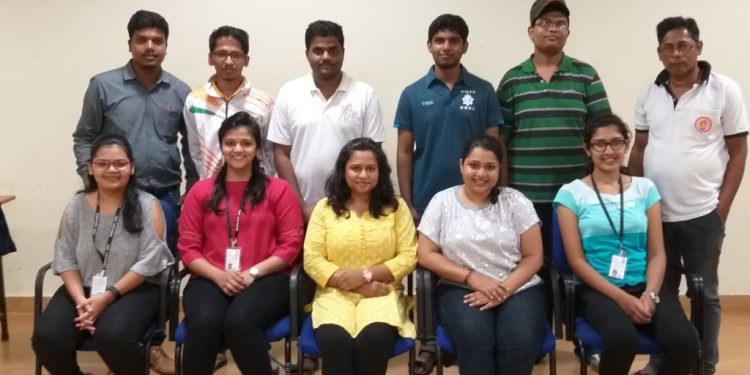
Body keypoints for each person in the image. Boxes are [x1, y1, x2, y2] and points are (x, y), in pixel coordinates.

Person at [71, 11, 195, 371]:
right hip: (114, 199)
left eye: (157, 41)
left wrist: (191, 192)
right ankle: (118, 341)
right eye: (142, 40)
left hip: (166, 198)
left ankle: (152, 344)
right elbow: (84, 138)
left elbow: (191, 147)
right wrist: (92, 179)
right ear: (130, 44)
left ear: (166, 47)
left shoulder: (180, 90)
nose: (150, 47)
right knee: (114, 268)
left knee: (160, 274)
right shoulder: (103, 85)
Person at [628, 16, 748, 375]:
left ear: (698, 47)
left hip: (702, 214)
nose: (676, 53)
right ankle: (663, 360)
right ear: (659, 53)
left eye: (684, 46)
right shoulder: (649, 92)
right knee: (660, 292)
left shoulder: (725, 90)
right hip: (656, 215)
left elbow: (739, 153)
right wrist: (638, 200)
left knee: (705, 293)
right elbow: (639, 148)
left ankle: (705, 363)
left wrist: (721, 207)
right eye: (668, 47)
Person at [554, 114, 700, 375]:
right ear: (587, 149)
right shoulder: (570, 194)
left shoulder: (645, 189)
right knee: (622, 341)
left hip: (645, 284)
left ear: (626, 145)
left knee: (685, 343)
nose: (608, 151)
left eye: (616, 142)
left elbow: (657, 254)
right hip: (596, 289)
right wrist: (623, 299)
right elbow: (576, 261)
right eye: (599, 144)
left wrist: (650, 295)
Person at [32, 134, 174, 374]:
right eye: (102, 163)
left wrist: (107, 297)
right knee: (47, 338)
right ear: (90, 168)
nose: (111, 169)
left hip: (135, 289)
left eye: (120, 163)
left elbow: (150, 262)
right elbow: (64, 256)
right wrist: (80, 300)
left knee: (113, 337)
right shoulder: (76, 206)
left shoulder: (147, 205)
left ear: (132, 167)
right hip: (83, 288)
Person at [177, 112, 304, 375]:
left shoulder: (278, 190)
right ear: (221, 146)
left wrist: (253, 273)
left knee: (240, 321)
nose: (238, 149)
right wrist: (218, 275)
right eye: (230, 143)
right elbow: (188, 247)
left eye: (246, 143)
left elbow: (291, 244)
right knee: (204, 322)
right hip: (210, 277)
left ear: (257, 148)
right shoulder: (200, 191)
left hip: (267, 277)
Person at [417, 135, 546, 375]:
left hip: (518, 287)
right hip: (460, 287)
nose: (481, 173)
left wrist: (503, 289)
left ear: (499, 169)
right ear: (461, 165)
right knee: (476, 341)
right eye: (474, 165)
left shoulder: (516, 201)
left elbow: (534, 257)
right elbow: (425, 254)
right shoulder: (442, 201)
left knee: (519, 341)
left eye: (490, 167)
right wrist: (471, 277)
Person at [497, 0, 611, 260]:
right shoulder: (512, 80)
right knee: (531, 266)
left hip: (576, 195)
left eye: (560, 23)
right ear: (530, 31)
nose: (553, 29)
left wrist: (601, 185)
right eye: (545, 23)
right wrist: (504, 193)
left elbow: (603, 136)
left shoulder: (586, 76)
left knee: (572, 266)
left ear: (568, 33)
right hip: (525, 196)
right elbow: (500, 143)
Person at [304, 137, 417, 375]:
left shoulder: (396, 208)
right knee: (335, 341)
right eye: (356, 168)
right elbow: (312, 259)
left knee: (373, 339)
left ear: (381, 172)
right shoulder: (325, 208)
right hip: (334, 293)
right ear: (343, 171)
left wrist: (365, 275)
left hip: (382, 292)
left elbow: (408, 255)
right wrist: (355, 285)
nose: (363, 174)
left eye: (370, 168)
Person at [268, 20, 385, 222]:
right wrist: (300, 205)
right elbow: (281, 153)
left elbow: (373, 155)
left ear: (343, 52)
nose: (326, 57)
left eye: (333, 50)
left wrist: (354, 204)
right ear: (307, 54)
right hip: (301, 208)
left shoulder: (365, 94)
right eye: (318, 51)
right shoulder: (289, 92)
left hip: (353, 211)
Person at [395, 13, 502, 220]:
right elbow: (404, 152)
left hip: (477, 198)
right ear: (429, 46)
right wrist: (407, 203)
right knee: (428, 253)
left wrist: (496, 195)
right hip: (425, 200)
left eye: (454, 41)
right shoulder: (412, 94)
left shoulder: (484, 91)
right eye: (439, 40)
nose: (446, 46)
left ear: (465, 46)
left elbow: (494, 149)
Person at [185, 25, 275, 179]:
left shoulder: (264, 102)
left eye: (236, 55)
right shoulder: (195, 100)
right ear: (210, 58)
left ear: (246, 60)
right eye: (221, 54)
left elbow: (269, 152)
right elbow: (195, 149)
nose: (228, 61)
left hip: (255, 189)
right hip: (212, 189)